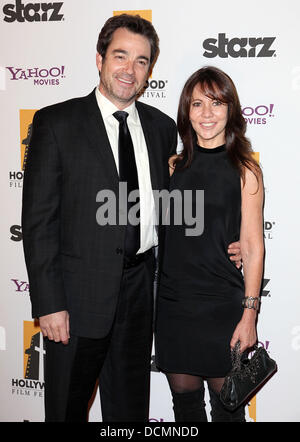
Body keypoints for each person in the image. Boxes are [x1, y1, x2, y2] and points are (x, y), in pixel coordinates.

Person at [22, 14, 241, 422]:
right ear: (101, 58)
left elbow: (185, 205)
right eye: (121, 55)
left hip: (141, 294)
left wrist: (237, 242)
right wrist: (50, 304)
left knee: (129, 414)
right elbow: (38, 224)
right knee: (66, 410)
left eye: (141, 61)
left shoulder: (162, 129)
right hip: (76, 301)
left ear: (149, 70)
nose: (130, 69)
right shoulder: (56, 123)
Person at [155, 66, 264, 422]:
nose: (207, 114)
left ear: (231, 110)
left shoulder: (245, 169)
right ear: (186, 111)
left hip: (222, 308)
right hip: (174, 306)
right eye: (198, 104)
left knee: (229, 410)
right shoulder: (171, 166)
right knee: (185, 410)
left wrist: (250, 315)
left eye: (217, 103)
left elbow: (252, 244)